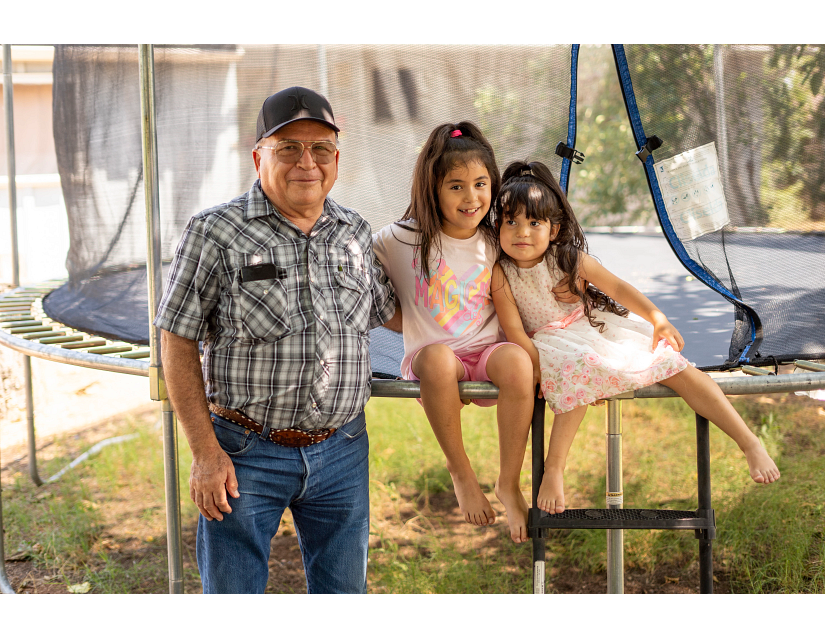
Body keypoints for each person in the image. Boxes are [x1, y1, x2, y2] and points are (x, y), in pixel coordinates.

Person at [154, 86, 396, 594]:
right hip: (243, 454)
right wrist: (204, 452)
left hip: (343, 450)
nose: (307, 162)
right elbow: (175, 342)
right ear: (258, 154)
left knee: (343, 598)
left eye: (321, 149)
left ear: (337, 156)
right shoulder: (215, 232)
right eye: (289, 148)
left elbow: (393, 314)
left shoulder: (354, 231)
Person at [490, 160, 781, 516]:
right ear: (498, 226)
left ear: (554, 229)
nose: (521, 231)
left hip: (592, 327)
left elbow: (617, 287)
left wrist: (657, 318)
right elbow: (515, 331)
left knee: (675, 366)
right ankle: (555, 467)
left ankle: (749, 441)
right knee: (581, 368)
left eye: (533, 222)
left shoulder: (569, 259)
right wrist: (535, 368)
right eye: (511, 221)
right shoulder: (501, 274)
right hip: (547, 345)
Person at [373, 122, 573, 544]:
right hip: (435, 359)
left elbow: (539, 259)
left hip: (486, 352)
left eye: (481, 184)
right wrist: (405, 319)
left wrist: (572, 288)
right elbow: (355, 275)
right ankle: (461, 472)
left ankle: (507, 481)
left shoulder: (494, 239)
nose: (472, 197)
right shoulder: (399, 239)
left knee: (517, 361)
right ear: (432, 189)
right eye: (456, 186)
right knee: (439, 358)